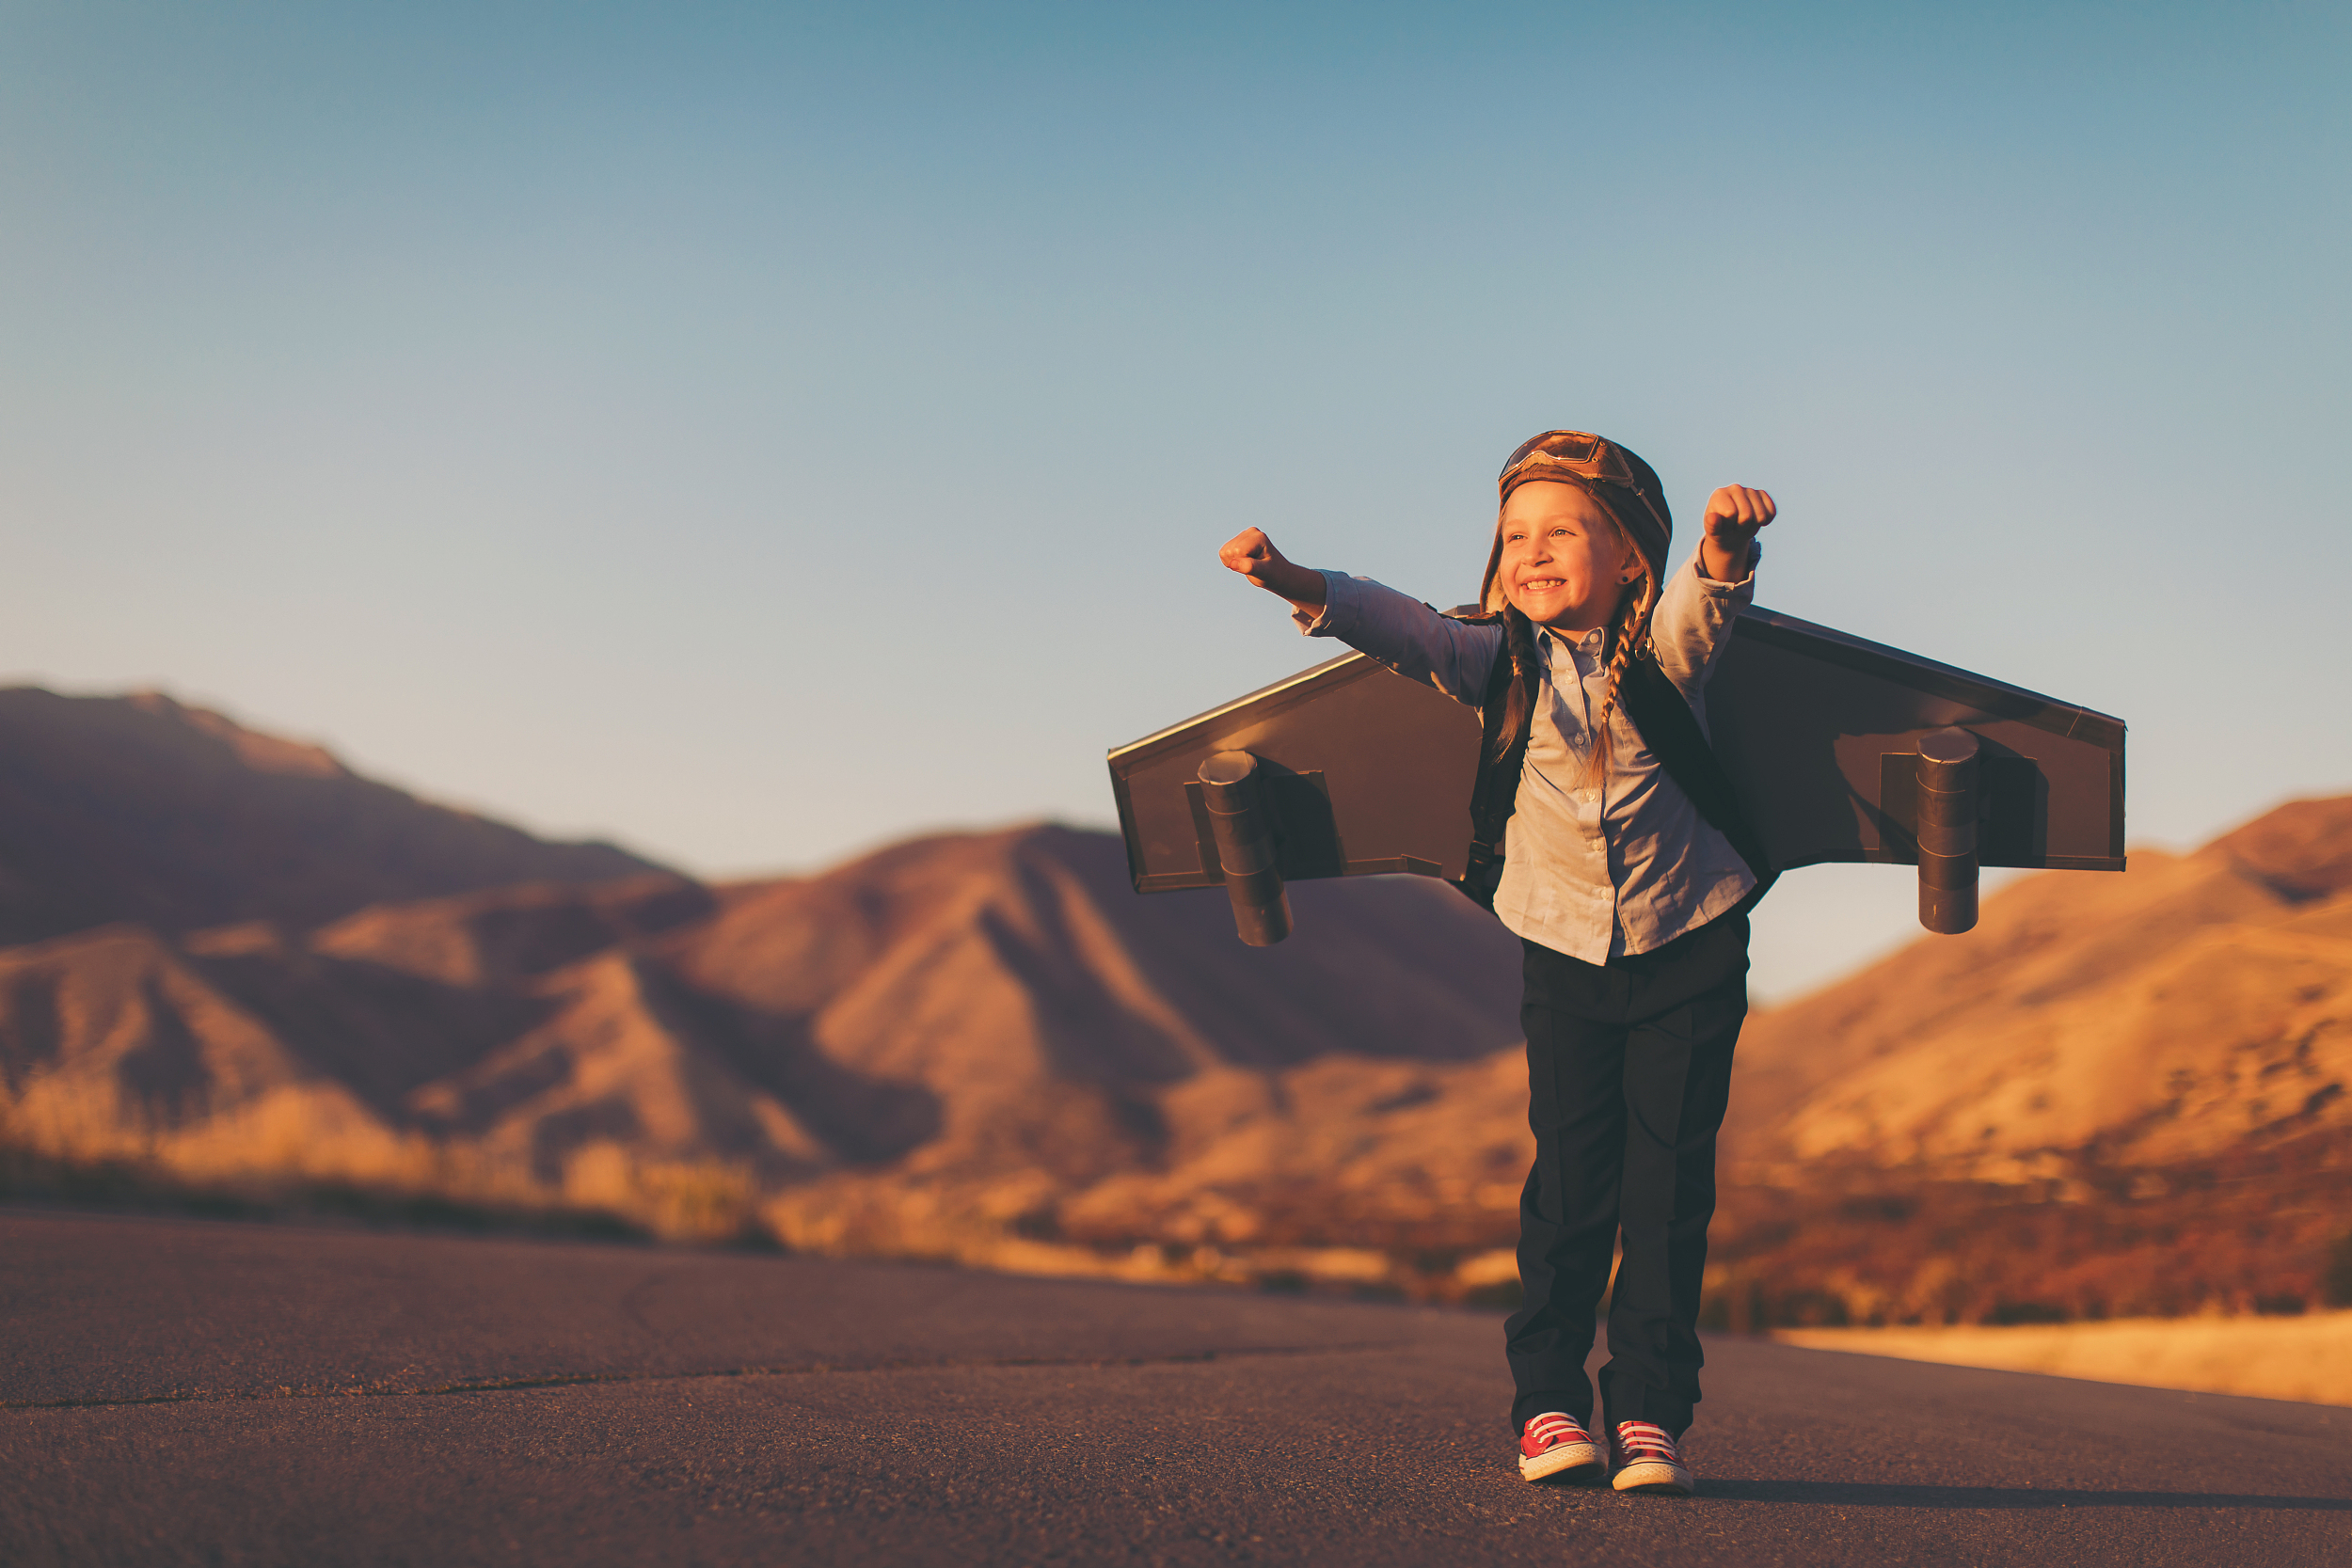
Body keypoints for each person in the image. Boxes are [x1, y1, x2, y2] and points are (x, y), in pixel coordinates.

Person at [1216, 430, 1776, 1496]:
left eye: (1563, 531)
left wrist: (1721, 548)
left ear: (1628, 562)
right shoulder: (1493, 660)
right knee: (1568, 1186)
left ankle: (1651, 1414)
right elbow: (1398, 625)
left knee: (1665, 1193)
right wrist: (1289, 579)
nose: (1532, 551)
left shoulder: (1662, 646)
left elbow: (1707, 612)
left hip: (1691, 940)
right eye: (1514, 534)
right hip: (1562, 944)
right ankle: (1549, 1404)